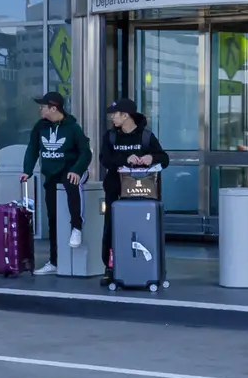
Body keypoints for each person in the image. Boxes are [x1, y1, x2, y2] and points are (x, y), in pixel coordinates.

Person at [21, 91, 91, 275]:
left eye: (43, 106)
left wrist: (77, 169)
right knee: (52, 216)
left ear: (54, 108)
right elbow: (33, 149)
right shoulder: (40, 127)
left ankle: (76, 226)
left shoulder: (73, 127)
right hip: (51, 173)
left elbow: (86, 152)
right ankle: (54, 261)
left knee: (71, 184)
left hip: (70, 170)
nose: (40, 109)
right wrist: (27, 170)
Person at [97, 97, 169, 269]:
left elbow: (164, 159)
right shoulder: (111, 136)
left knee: (141, 227)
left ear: (126, 115)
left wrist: (151, 157)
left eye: (115, 114)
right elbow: (105, 159)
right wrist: (125, 159)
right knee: (111, 227)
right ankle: (110, 266)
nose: (112, 118)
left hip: (142, 193)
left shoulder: (146, 137)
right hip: (115, 190)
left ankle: (144, 265)